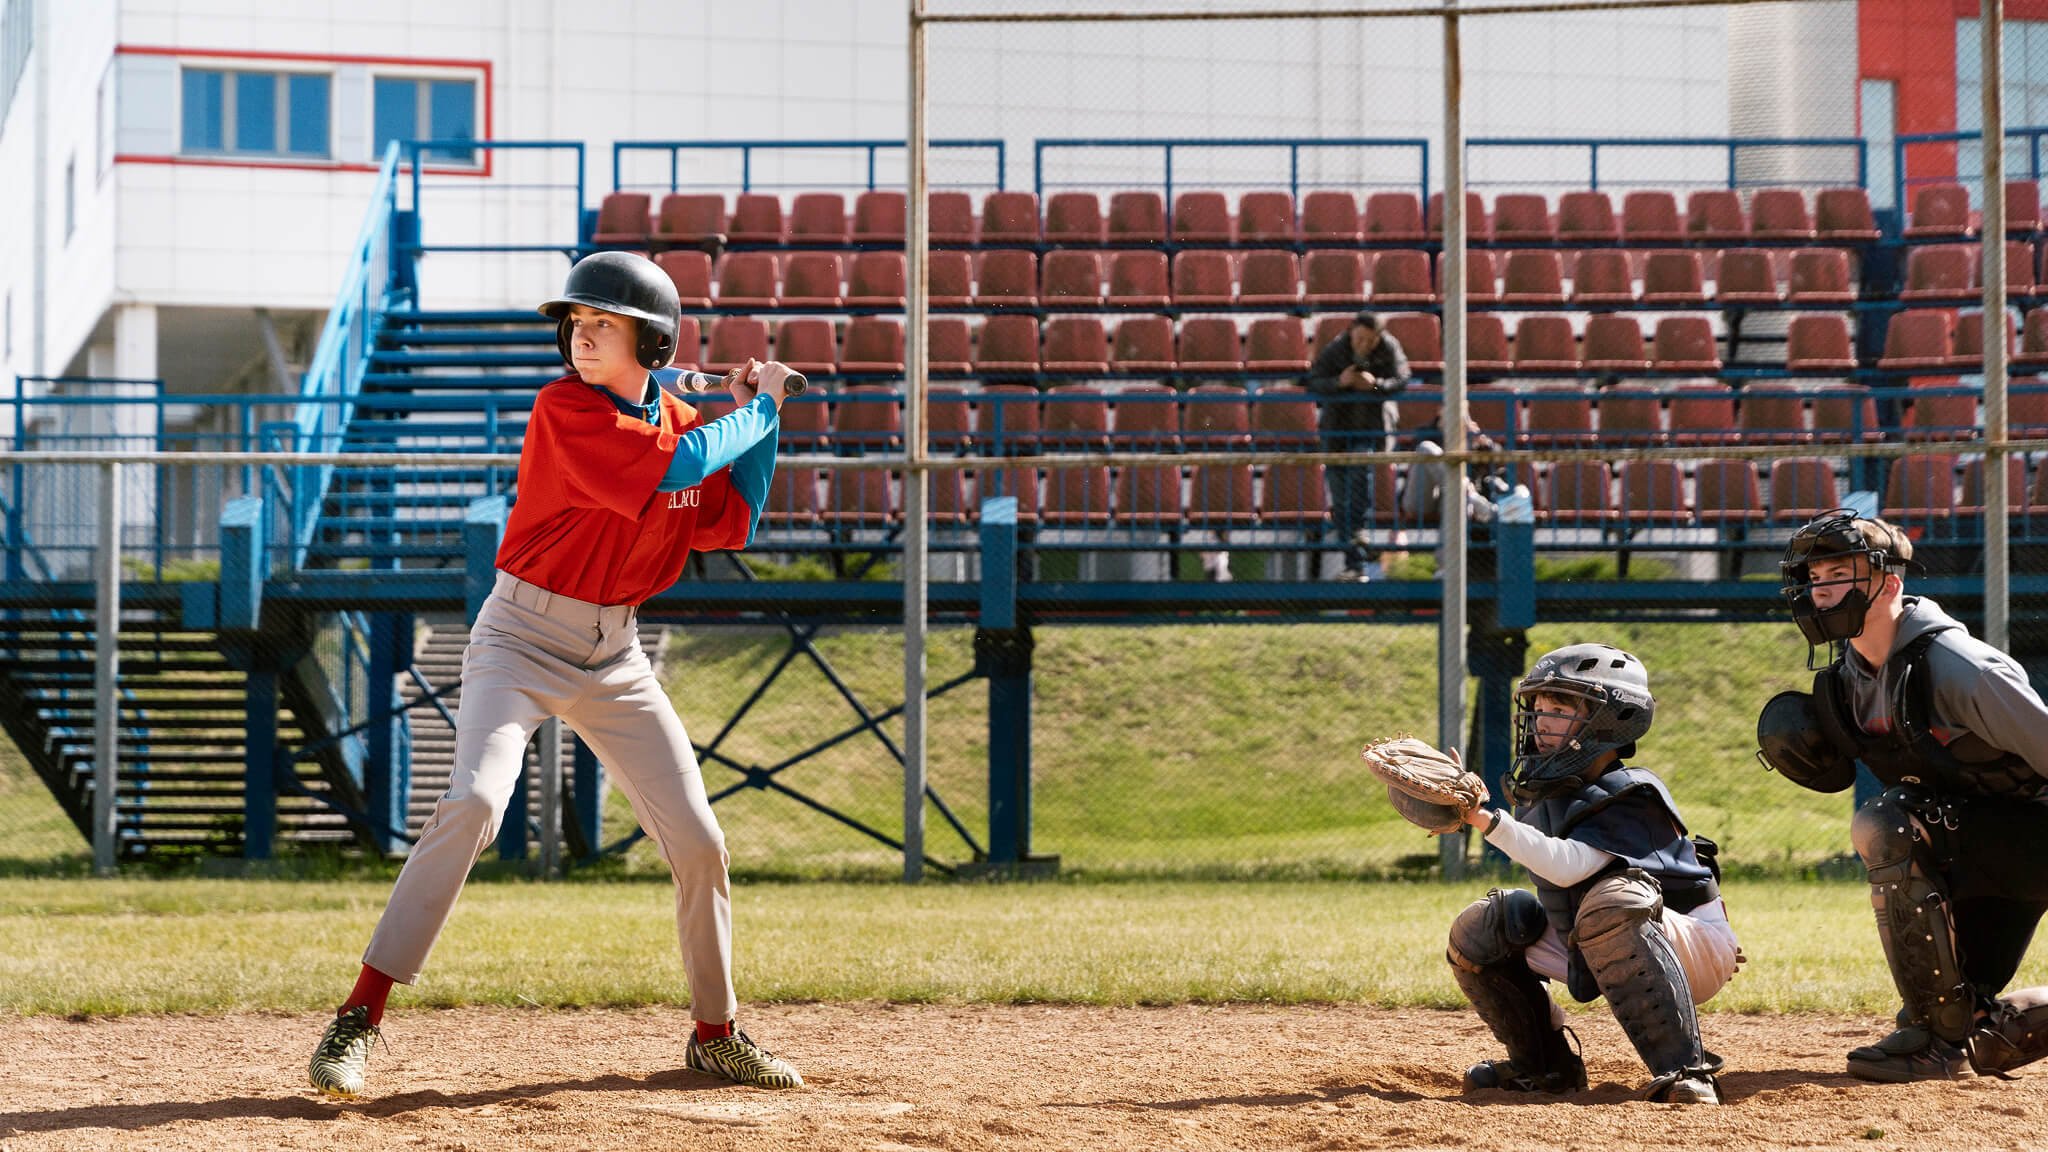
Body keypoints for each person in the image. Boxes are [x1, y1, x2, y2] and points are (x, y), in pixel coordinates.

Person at [307, 251, 805, 1096]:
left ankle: (715, 1033)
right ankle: (358, 1018)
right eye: (576, 324)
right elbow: (681, 469)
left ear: (653, 344)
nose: (580, 338)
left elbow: (733, 520)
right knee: (471, 801)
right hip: (520, 638)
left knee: (699, 840)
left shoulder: (687, 420)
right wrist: (753, 408)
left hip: (617, 657)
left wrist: (765, 420)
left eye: (603, 326)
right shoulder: (565, 410)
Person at [1757, 509, 2048, 1082]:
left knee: (1888, 822)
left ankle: (1934, 1045)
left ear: (1890, 582)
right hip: (1982, 847)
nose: (1821, 592)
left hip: (2034, 839)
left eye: (1839, 575)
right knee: (1980, 1034)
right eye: (1814, 579)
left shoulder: (1963, 670)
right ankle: (1951, 1031)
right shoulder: (1849, 677)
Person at [1446, 643, 1741, 1104]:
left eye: (1560, 707)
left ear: (1612, 719)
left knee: (1611, 901)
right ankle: (1546, 1069)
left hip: (1689, 944)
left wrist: (1486, 820)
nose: (1541, 720)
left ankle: (1686, 1072)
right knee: (1483, 926)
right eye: (1538, 707)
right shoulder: (1547, 790)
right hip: (1598, 936)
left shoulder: (1630, 793)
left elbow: (1570, 867)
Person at [1305, 312, 1409, 581]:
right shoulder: (1336, 348)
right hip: (1336, 432)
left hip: (1369, 431)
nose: (1363, 344)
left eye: (1369, 340)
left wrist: (1376, 386)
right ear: (1351, 332)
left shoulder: (1389, 346)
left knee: (1360, 475)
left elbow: (1402, 379)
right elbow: (1313, 381)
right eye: (1360, 338)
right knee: (1340, 499)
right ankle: (1355, 560)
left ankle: (1359, 544)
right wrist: (1340, 383)